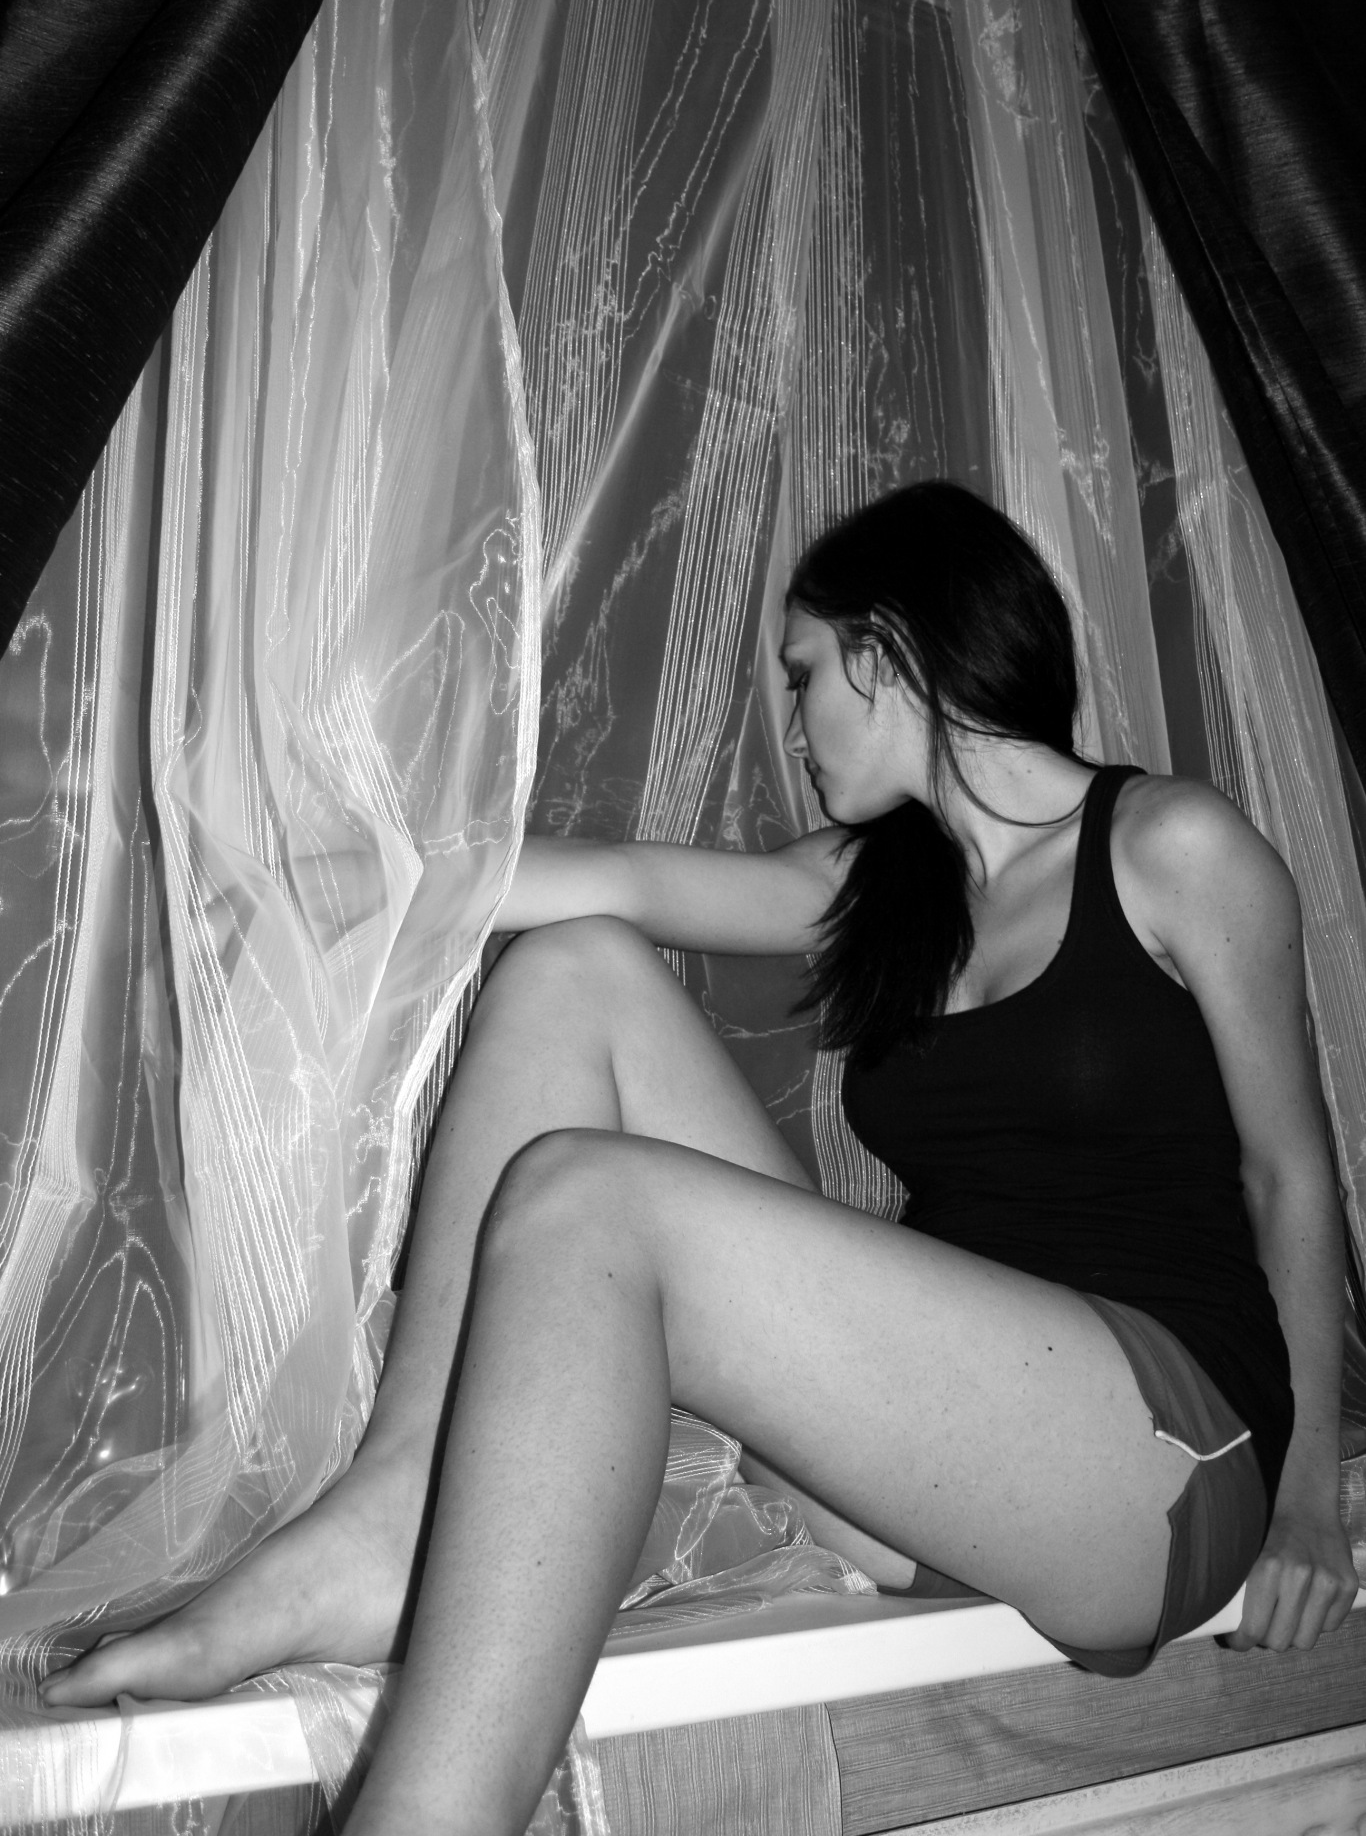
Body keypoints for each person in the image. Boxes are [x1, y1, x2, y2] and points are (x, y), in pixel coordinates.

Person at [44, 483, 1357, 1835]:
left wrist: (1306, 1500)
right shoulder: (883, 888)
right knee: (573, 972)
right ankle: (400, 1510)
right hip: (938, 1467)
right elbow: (618, 878)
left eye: (803, 675)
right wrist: (329, 880)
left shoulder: (1172, 849)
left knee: (591, 1201)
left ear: (887, 652)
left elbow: (1292, 1178)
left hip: (1154, 1464)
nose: (792, 725)